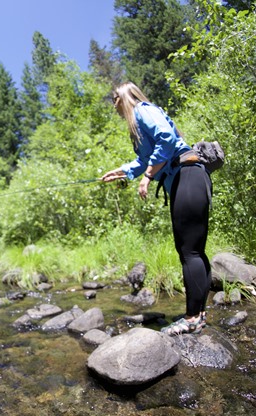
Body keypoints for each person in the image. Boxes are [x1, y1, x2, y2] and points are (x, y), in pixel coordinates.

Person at [101, 81, 212, 336]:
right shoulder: (138, 123)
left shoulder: (142, 110)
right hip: (189, 179)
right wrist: (123, 172)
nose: (114, 105)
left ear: (125, 96)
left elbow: (166, 137)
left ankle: (192, 317)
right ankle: (199, 314)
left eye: (114, 99)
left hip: (188, 176)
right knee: (193, 250)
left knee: (190, 251)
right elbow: (144, 159)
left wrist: (148, 176)